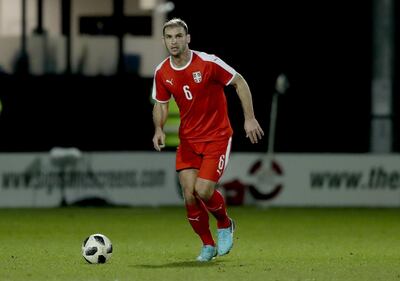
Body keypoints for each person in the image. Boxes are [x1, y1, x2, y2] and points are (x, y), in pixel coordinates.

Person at [152, 18, 264, 262]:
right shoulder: (162, 72)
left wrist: (250, 118)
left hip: (217, 137)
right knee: (189, 193)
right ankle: (207, 245)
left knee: (203, 190)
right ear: (164, 41)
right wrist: (158, 129)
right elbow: (160, 104)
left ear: (188, 38)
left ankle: (225, 224)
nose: (174, 41)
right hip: (189, 141)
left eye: (179, 36)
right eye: (169, 37)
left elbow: (239, 82)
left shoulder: (208, 63)